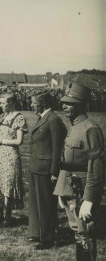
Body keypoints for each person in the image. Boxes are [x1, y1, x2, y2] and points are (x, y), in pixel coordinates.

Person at [54, 83, 105, 261]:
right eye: (64, 102)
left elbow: (96, 167)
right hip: (70, 188)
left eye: (69, 103)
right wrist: (62, 191)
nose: (64, 106)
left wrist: (89, 199)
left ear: (81, 105)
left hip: (82, 191)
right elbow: (67, 163)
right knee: (77, 231)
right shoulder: (75, 126)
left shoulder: (90, 129)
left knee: (85, 233)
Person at [28, 90, 67, 250]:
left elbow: (58, 148)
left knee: (45, 204)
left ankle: (47, 238)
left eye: (34, 102)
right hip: (36, 166)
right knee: (36, 203)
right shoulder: (43, 118)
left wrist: (53, 171)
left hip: (46, 169)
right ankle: (37, 232)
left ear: (43, 103)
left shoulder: (53, 120)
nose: (31, 105)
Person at [0, 93, 27, 226]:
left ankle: (8, 217)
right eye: (0, 102)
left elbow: (19, 141)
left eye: (3, 103)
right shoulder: (2, 116)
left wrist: (3, 141)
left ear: (12, 103)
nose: (0, 105)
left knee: (8, 184)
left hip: (10, 155)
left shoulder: (19, 118)